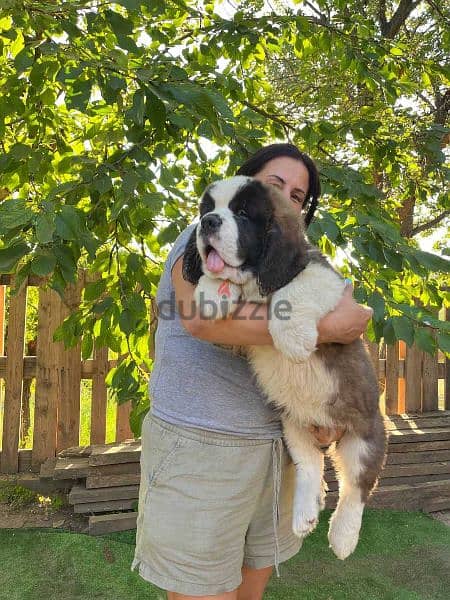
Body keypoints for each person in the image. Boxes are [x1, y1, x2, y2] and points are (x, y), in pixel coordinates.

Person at [131, 143, 373, 600]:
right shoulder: (203, 235)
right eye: (274, 184)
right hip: (203, 444)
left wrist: (323, 421)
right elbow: (201, 318)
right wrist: (325, 327)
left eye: (298, 195)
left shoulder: (286, 256)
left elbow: (337, 323)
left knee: (250, 589)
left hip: (275, 445)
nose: (286, 196)